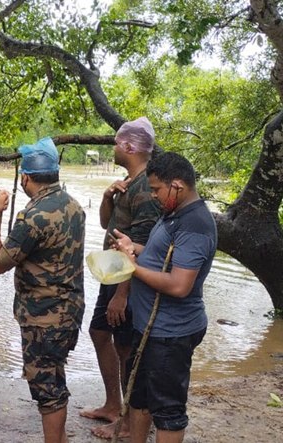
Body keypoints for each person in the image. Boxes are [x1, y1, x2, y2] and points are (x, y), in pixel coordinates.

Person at [111, 152, 215, 443]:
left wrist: (132, 268)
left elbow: (180, 285)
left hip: (171, 333)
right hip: (150, 329)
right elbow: (161, 259)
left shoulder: (195, 224)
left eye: (157, 189)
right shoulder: (173, 213)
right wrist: (134, 248)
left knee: (167, 410)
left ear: (178, 185)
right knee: (140, 398)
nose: (153, 196)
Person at [0, 137, 85, 443]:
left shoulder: (34, 217)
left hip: (43, 318)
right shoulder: (74, 205)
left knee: (47, 388)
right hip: (69, 311)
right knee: (54, 375)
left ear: (26, 178)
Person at [83, 117, 162, 440]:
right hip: (113, 273)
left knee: (125, 345)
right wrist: (106, 198)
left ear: (129, 147)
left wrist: (122, 294)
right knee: (103, 334)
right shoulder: (127, 183)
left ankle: (129, 419)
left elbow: (138, 249)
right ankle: (114, 405)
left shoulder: (145, 188)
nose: (114, 148)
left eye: (117, 143)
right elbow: (107, 225)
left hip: (126, 280)